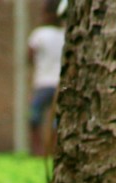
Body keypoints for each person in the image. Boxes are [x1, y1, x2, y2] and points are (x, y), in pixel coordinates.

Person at [27, 0, 65, 156]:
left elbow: (29, 56)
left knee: (34, 118)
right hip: (59, 84)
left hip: (43, 84)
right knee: (57, 121)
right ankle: (54, 151)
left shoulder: (39, 34)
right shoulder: (66, 34)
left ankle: (38, 151)